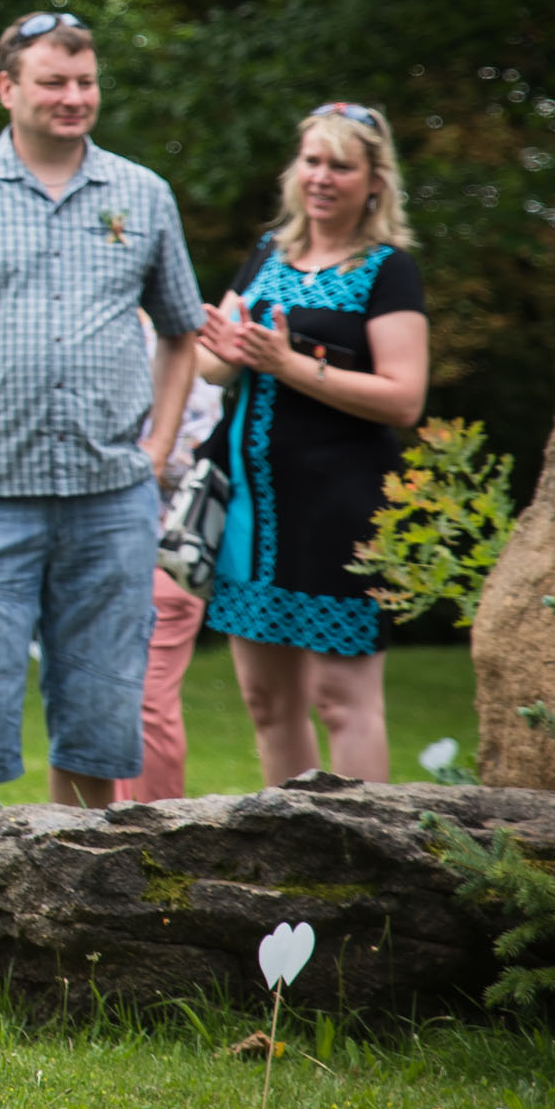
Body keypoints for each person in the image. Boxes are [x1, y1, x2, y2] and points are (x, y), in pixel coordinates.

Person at [0, 11, 202, 829]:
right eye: (53, 82)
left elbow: (182, 332)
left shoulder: (142, 194)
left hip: (110, 500)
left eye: (85, 82)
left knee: (99, 715)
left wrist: (158, 448)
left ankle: (78, 885)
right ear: (7, 88)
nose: (73, 97)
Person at [195, 102, 428, 785]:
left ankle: (365, 843)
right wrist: (221, 350)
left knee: (340, 700)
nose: (322, 177)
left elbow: (405, 398)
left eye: (341, 166)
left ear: (375, 182)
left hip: (344, 513)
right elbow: (213, 368)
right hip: (253, 510)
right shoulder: (268, 252)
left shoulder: (387, 270)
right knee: (267, 702)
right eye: (312, 161)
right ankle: (290, 839)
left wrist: (289, 364)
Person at [115, 312, 228, 804]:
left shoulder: (168, 340)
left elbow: (192, 455)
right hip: (101, 548)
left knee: (147, 701)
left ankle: (153, 828)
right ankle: (106, 824)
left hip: (166, 550)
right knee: (107, 698)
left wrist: (124, 457)